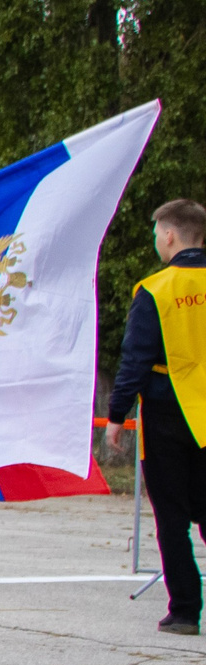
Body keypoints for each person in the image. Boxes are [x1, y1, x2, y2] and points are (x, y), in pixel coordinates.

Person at [107, 198, 206, 636]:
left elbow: (136, 358)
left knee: (172, 517)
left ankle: (184, 609)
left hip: (169, 412)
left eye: (155, 234)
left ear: (169, 235)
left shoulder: (155, 289)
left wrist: (116, 414)